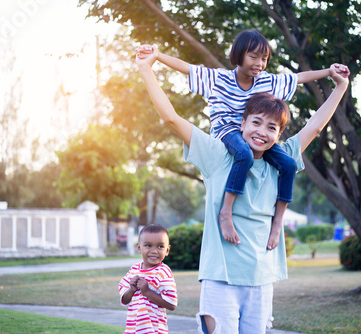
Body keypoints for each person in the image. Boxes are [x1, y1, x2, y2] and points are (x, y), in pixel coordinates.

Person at [136, 44, 349, 334]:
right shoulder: (218, 156)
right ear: (242, 123)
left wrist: (339, 87)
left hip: (261, 280)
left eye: (272, 127)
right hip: (220, 280)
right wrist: (147, 68)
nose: (262, 132)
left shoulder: (282, 159)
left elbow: (314, 126)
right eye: (256, 123)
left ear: (279, 134)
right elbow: (172, 118)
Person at [136, 30, 335, 250]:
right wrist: (157, 56)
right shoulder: (219, 79)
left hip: (253, 136)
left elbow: (297, 78)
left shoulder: (266, 82)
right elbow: (187, 68)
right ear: (238, 55)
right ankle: (226, 211)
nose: (259, 63)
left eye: (264, 59)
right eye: (253, 56)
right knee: (244, 154)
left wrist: (328, 72)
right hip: (227, 132)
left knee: (288, 163)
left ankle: (277, 221)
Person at [119, 224, 177, 334]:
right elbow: (125, 300)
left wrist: (147, 292)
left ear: (167, 250)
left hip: (154, 330)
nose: (154, 251)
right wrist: (131, 290)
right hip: (133, 329)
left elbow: (172, 304)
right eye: (148, 245)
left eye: (160, 246)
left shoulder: (163, 272)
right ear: (139, 248)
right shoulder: (134, 270)